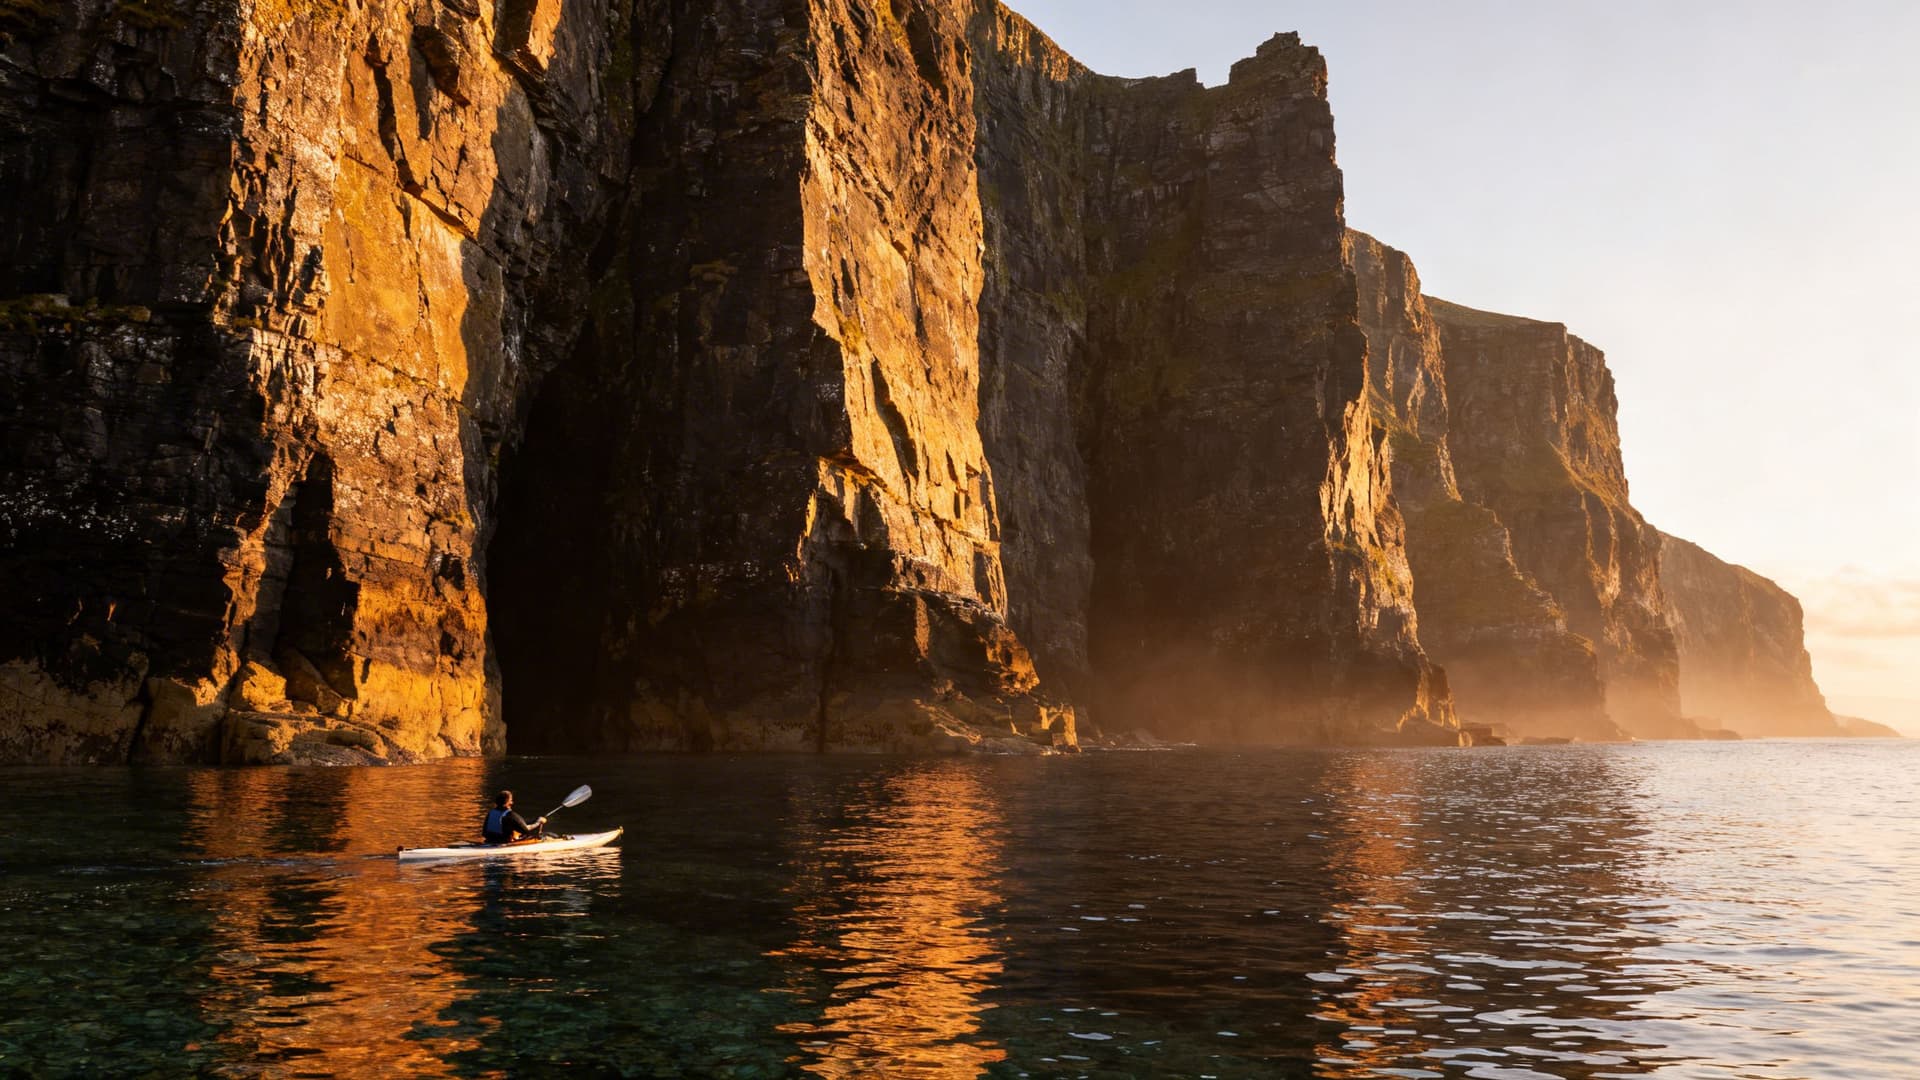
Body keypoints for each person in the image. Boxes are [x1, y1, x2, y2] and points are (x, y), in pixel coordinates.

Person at [482, 789, 547, 844]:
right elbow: (526, 830)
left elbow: (484, 833)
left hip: (489, 842)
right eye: (511, 800)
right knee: (547, 835)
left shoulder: (491, 813)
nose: (512, 802)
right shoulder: (511, 815)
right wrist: (539, 822)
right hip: (503, 844)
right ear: (510, 802)